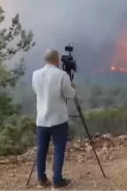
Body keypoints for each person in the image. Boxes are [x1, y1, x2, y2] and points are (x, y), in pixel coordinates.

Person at [32, 49, 76, 189]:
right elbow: (69, 95)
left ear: (45, 60)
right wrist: (72, 86)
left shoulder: (36, 74)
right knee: (58, 149)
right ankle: (57, 181)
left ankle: (41, 179)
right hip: (58, 120)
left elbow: (36, 90)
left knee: (41, 149)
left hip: (42, 120)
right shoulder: (62, 75)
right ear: (57, 61)